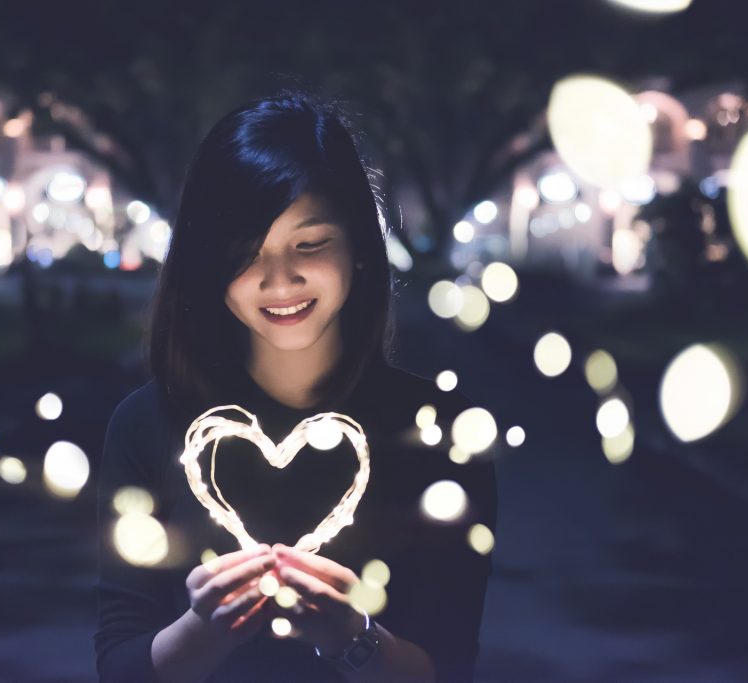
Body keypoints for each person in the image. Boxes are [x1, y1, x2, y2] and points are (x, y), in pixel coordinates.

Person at [95, 91, 498, 683]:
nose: (279, 281)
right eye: (244, 254)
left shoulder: (439, 431)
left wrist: (351, 637)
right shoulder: (147, 425)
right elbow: (119, 666)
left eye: (309, 245)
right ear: (208, 263)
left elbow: (449, 667)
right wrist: (204, 629)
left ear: (359, 248)